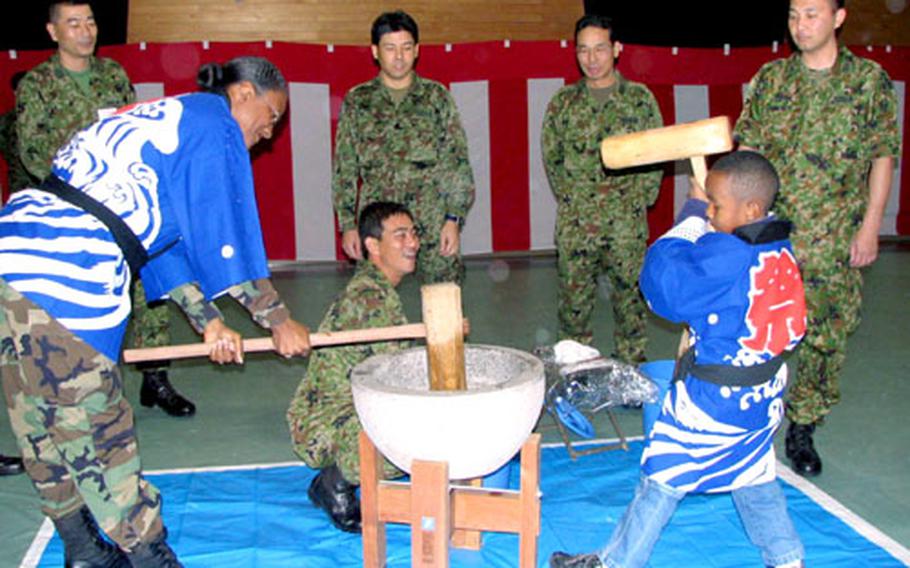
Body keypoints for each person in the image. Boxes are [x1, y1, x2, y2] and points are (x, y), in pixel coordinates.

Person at [0, 56, 312, 566]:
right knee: (99, 428)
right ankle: (148, 554)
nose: (269, 132)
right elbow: (223, 237)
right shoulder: (216, 125)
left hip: (14, 247)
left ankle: (82, 548)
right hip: (68, 263)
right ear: (243, 94)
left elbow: (157, 244)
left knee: (38, 416)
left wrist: (208, 319)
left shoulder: (168, 119)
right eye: (271, 116)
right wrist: (277, 319)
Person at [550, 151, 807, 568]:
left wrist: (689, 217)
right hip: (764, 398)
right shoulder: (780, 250)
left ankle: (614, 564)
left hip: (715, 403)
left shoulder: (730, 257)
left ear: (752, 209)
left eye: (717, 206)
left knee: (661, 478)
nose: (711, 211)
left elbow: (664, 286)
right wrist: (713, 221)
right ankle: (787, 558)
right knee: (754, 475)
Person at [734, 0, 900, 477]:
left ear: (838, 18)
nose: (800, 26)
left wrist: (871, 224)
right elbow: (749, 152)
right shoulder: (772, 80)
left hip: (834, 239)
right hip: (772, 237)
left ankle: (803, 425)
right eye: (792, 15)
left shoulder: (868, 81)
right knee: (757, 331)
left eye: (811, 15)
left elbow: (882, 157)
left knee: (828, 339)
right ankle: (747, 418)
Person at [15, 0, 195, 418]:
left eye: (90, 22)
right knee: (83, 299)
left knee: (148, 288)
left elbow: (131, 130)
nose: (85, 31)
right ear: (53, 31)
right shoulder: (37, 85)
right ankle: (86, 385)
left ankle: (156, 377)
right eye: (73, 23)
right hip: (68, 214)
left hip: (122, 208)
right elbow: (32, 152)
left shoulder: (114, 76)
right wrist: (86, 192)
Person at [287, 201, 418, 533]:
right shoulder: (370, 299)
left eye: (413, 233)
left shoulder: (377, 289)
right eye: (400, 236)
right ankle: (335, 483)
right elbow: (400, 380)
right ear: (373, 246)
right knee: (417, 439)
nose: (413, 243)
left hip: (346, 407)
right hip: (325, 421)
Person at [541, 14, 663, 362]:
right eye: (583, 51)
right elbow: (553, 159)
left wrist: (637, 201)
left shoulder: (639, 100)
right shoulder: (563, 104)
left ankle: (631, 368)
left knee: (631, 304)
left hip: (625, 223)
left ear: (617, 49)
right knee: (573, 306)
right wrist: (576, 200)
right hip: (576, 224)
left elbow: (655, 155)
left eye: (599, 49)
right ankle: (576, 371)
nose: (591, 59)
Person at [332, 10, 474, 285]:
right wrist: (348, 225)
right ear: (375, 51)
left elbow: (456, 162)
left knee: (443, 300)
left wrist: (453, 219)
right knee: (373, 301)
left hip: (432, 220)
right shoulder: (358, 101)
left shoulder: (436, 98)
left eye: (406, 48)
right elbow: (344, 168)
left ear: (417, 50)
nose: (399, 57)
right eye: (390, 48)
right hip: (378, 224)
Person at [0, 72, 36, 196]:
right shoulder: (5, 121)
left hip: (48, 183)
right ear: (15, 92)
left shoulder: (50, 117)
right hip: (20, 184)